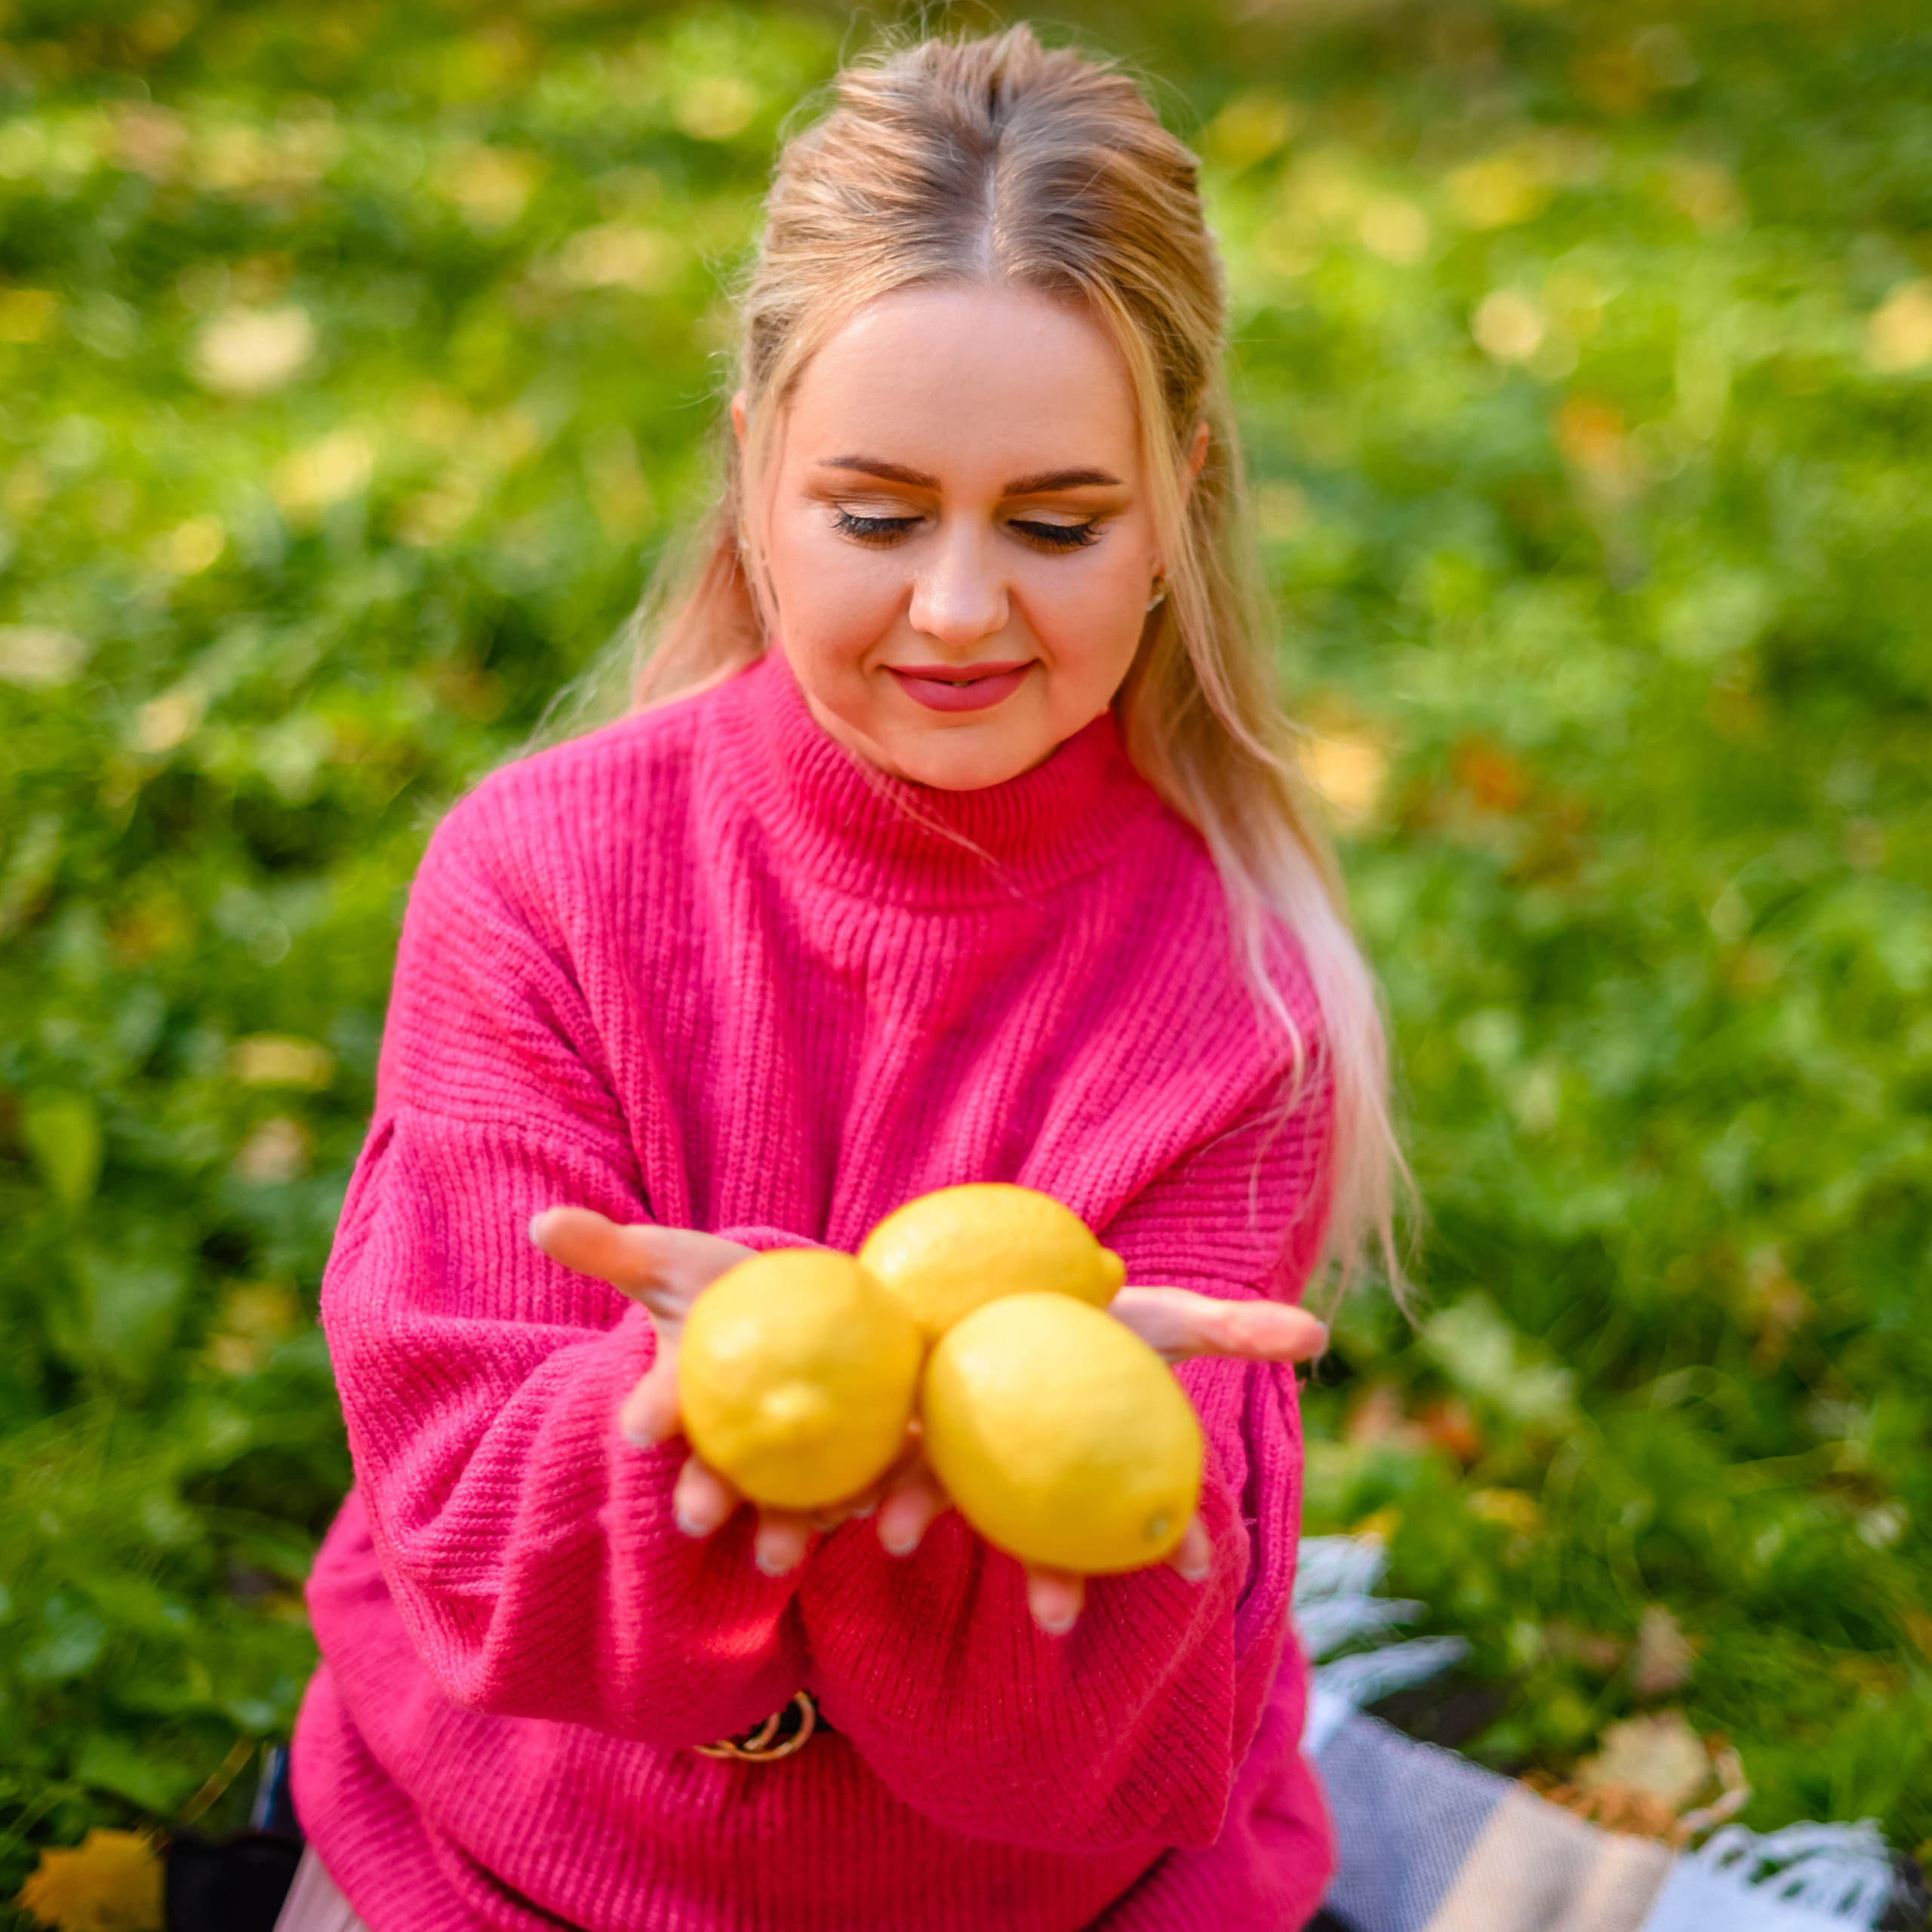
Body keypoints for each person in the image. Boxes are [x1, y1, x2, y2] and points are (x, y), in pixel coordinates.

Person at [277, 26, 1400, 1932]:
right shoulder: (536, 880)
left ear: (1175, 506)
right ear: (753, 472)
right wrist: (689, 1415)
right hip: (517, 1862)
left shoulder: (1236, 996)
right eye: (876, 514)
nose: (958, 608)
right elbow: (465, 1532)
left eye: (1054, 524)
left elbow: (1102, 1735)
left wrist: (1043, 1509)